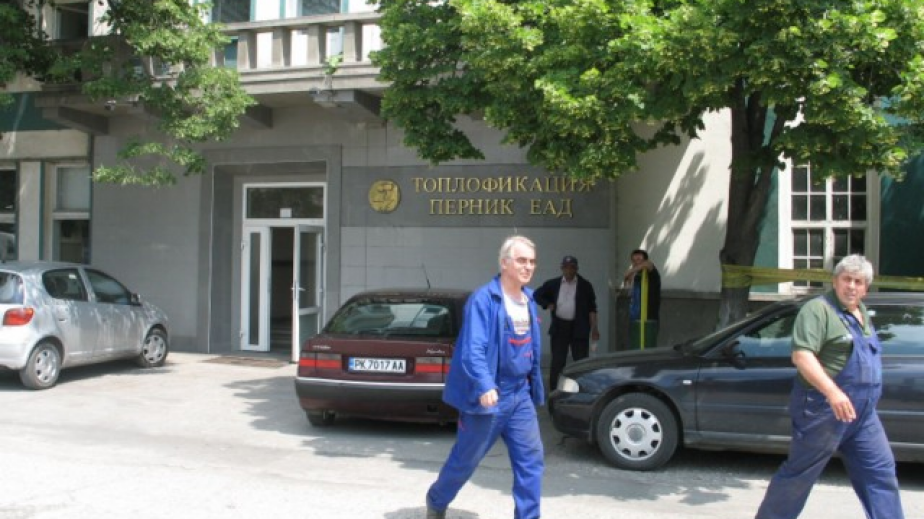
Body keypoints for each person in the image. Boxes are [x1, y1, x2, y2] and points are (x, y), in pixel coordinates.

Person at [754, 254, 905, 519]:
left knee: (880, 473)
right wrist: (833, 392)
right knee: (799, 476)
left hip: (862, 414)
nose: (852, 286)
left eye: (858, 282)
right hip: (823, 409)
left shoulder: (861, 313)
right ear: (835, 281)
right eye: (847, 279)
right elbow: (802, 356)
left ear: (866, 288)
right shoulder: (818, 310)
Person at [426, 235, 545, 519]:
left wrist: (534, 387)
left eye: (532, 261)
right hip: (490, 396)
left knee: (531, 462)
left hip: (519, 394)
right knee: (466, 459)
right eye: (521, 260)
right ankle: (437, 500)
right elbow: (472, 349)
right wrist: (485, 385)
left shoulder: (529, 300)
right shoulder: (484, 300)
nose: (528, 267)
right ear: (504, 263)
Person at [533, 255, 600, 390]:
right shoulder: (553, 284)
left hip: (579, 327)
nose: (569, 270)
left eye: (572, 268)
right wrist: (548, 304)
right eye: (566, 268)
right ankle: (554, 391)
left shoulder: (585, 285)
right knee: (557, 362)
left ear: (576, 269)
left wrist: (594, 328)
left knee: (581, 362)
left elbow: (592, 309)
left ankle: (583, 390)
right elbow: (537, 294)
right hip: (560, 327)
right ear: (562, 268)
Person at [622, 248, 661, 348]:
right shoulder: (637, 276)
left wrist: (630, 271)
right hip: (636, 317)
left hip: (649, 318)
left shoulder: (651, 273)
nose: (636, 263)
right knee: (636, 344)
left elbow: (648, 264)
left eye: (639, 259)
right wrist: (630, 277)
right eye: (634, 260)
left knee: (647, 345)